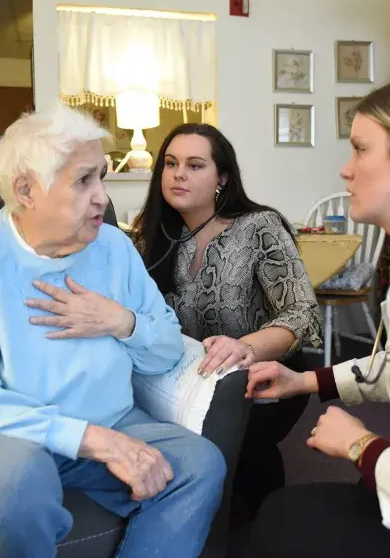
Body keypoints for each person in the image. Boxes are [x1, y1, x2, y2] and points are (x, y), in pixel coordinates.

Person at [0, 106, 226, 558]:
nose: (102, 197)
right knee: (16, 489)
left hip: (115, 418)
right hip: (18, 437)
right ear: (26, 190)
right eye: (84, 181)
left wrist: (121, 321)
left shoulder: (113, 245)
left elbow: (166, 352)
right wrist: (90, 439)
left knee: (200, 463)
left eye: (102, 176)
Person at [246, 76, 390, 558]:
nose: (346, 170)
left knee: (281, 526)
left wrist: (359, 444)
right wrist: (303, 382)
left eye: (361, 149)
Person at [130, 123, 322, 515]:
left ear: (222, 178)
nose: (178, 173)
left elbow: (303, 312)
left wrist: (245, 346)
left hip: (263, 376)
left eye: (195, 165)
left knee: (244, 471)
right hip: (186, 376)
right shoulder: (152, 235)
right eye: (170, 163)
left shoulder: (259, 227)